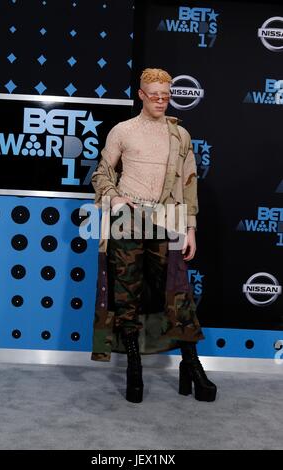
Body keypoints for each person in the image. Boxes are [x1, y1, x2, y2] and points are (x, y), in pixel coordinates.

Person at [90, 68, 217, 403]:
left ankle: (191, 364)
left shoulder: (181, 136)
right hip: (127, 222)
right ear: (141, 94)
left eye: (166, 95)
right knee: (126, 293)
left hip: (168, 220)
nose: (161, 101)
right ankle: (134, 365)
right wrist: (114, 196)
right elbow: (101, 172)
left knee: (178, 294)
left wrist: (190, 228)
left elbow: (190, 185)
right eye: (155, 95)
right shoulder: (123, 131)